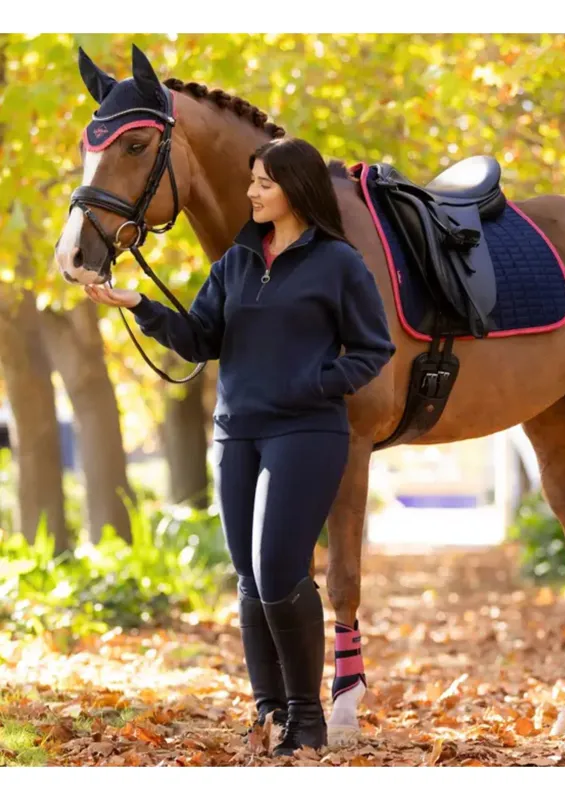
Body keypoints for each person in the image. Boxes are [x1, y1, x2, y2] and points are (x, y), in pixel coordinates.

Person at [85, 136, 397, 755]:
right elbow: (201, 338)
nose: (251, 192)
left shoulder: (338, 262)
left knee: (280, 569)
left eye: (264, 183)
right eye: (252, 180)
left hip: (305, 431)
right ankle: (269, 711)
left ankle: (307, 716)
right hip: (236, 432)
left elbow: (373, 349)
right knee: (250, 577)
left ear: (295, 190)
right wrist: (140, 305)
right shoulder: (236, 261)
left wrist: (316, 382)